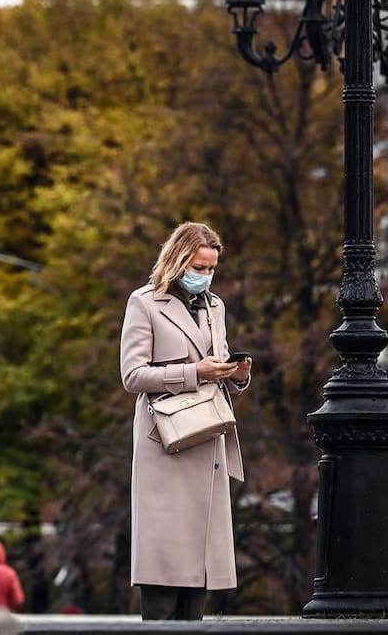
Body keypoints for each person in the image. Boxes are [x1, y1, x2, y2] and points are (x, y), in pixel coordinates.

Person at [120, 221, 252, 621]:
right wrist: (194, 372)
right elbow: (133, 376)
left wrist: (238, 374)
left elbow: (217, 364)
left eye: (211, 269)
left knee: (197, 579)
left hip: (206, 437)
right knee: (164, 572)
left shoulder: (216, 307)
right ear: (177, 261)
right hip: (166, 442)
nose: (206, 276)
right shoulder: (144, 303)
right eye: (199, 267)